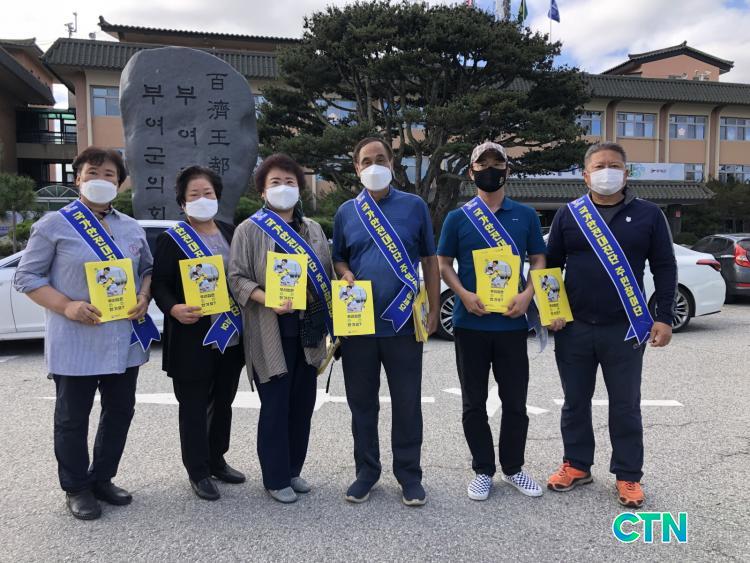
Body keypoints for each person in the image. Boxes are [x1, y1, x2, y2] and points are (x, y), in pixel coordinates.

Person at [13, 147, 154, 520]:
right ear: (78, 178)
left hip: (122, 339)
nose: (101, 180)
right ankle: (76, 487)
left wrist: (143, 296)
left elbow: (147, 269)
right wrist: (66, 306)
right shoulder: (54, 225)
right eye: (93, 172)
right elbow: (26, 276)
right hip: (76, 339)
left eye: (109, 174)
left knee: (119, 411)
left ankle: (103, 478)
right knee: (72, 418)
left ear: (119, 183)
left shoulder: (131, 227)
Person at [545, 142, 677, 508]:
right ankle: (576, 465)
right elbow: (550, 266)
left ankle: (628, 475)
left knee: (625, 405)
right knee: (574, 401)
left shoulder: (649, 214)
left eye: (614, 166)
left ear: (626, 173)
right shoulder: (569, 214)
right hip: (573, 327)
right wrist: (551, 309)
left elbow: (664, 267)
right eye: (600, 166)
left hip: (626, 328)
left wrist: (664, 316)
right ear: (586, 175)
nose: (608, 172)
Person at [332, 137, 440, 506]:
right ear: (356, 168)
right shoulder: (347, 212)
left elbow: (429, 260)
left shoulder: (414, 206)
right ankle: (366, 472)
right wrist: (344, 273)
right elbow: (339, 258)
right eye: (366, 160)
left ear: (392, 163)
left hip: (403, 323)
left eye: (381, 158)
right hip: (359, 326)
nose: (374, 165)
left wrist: (434, 308)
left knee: (407, 403)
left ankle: (409, 475)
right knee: (362, 404)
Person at [437, 141, 547, 501]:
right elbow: (443, 264)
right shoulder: (458, 218)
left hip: (512, 325)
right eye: (482, 164)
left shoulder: (525, 216)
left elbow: (539, 260)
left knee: (515, 402)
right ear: (472, 172)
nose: (490, 169)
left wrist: (528, 294)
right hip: (470, 324)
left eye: (497, 163)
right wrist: (463, 294)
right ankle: (483, 470)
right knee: (474, 403)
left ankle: (513, 468)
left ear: (507, 171)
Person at [228, 154, 334, 504]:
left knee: (302, 405)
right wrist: (266, 297)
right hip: (269, 331)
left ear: (300, 189)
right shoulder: (248, 230)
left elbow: (327, 275)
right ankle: (275, 478)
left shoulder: (313, 229)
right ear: (262, 191)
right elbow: (236, 278)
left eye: (290, 182)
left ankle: (292, 470)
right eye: (275, 182)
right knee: (275, 406)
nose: (283, 188)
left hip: (308, 333)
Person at [151, 166, 246, 501]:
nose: (203, 199)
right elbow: (159, 284)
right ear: (182, 202)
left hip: (230, 335)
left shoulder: (231, 232)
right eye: (194, 194)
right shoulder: (171, 239)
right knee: (193, 405)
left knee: (223, 401)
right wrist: (174, 308)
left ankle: (217, 459)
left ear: (217, 197)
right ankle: (198, 470)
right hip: (192, 336)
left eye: (208, 193)